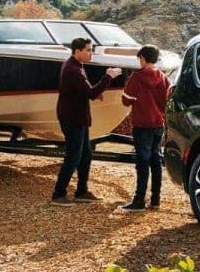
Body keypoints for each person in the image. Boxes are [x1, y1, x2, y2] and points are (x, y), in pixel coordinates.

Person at [51, 37, 122, 206]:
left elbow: (85, 90)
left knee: (86, 154)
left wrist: (96, 93)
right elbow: (89, 92)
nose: (91, 53)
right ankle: (58, 194)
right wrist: (107, 77)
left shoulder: (77, 66)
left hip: (78, 117)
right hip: (72, 118)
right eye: (88, 50)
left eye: (91, 50)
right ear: (77, 51)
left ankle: (81, 191)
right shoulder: (72, 69)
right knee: (73, 156)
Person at [119, 45, 170, 212]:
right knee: (156, 161)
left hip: (142, 125)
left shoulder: (136, 77)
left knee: (142, 163)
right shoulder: (163, 77)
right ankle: (155, 199)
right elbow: (168, 98)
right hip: (158, 124)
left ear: (143, 58)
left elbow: (126, 100)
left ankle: (139, 201)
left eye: (139, 58)